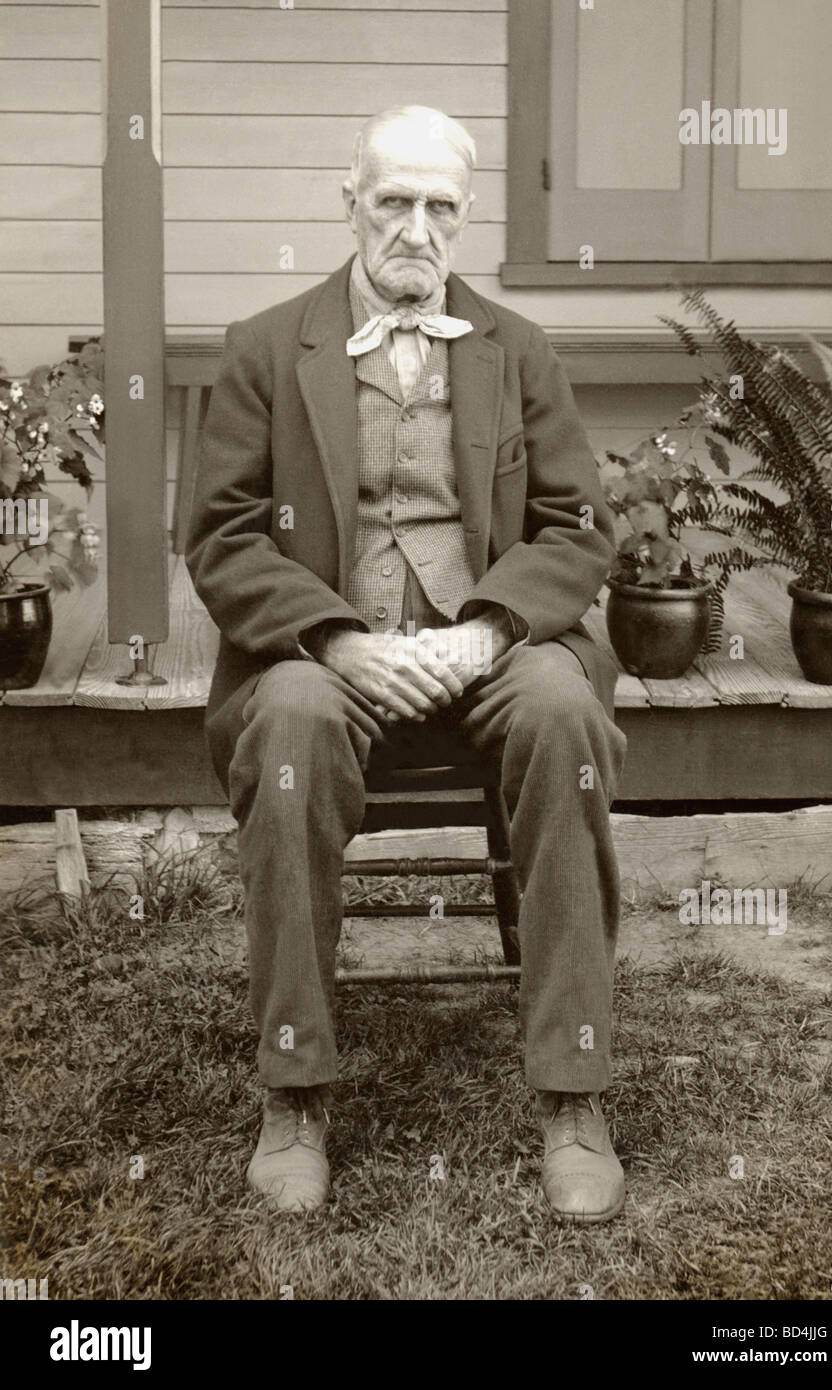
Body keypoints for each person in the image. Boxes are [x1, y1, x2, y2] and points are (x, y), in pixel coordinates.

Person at [186, 105, 627, 1223]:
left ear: (465, 217)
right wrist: (337, 637)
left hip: (489, 652)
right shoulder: (261, 348)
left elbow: (574, 527)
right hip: (325, 659)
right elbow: (223, 536)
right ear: (350, 204)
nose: (415, 229)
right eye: (393, 202)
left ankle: (572, 1091)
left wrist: (486, 630)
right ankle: (294, 1088)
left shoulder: (519, 350)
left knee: (564, 716)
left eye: (440, 207)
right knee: (287, 719)